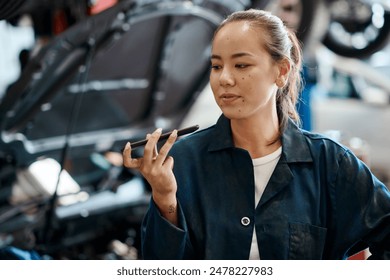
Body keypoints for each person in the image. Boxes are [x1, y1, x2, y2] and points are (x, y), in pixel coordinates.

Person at [122, 9, 390, 260]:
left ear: (281, 71)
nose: (224, 79)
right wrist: (165, 198)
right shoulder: (182, 162)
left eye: (241, 65)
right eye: (216, 66)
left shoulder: (330, 163)